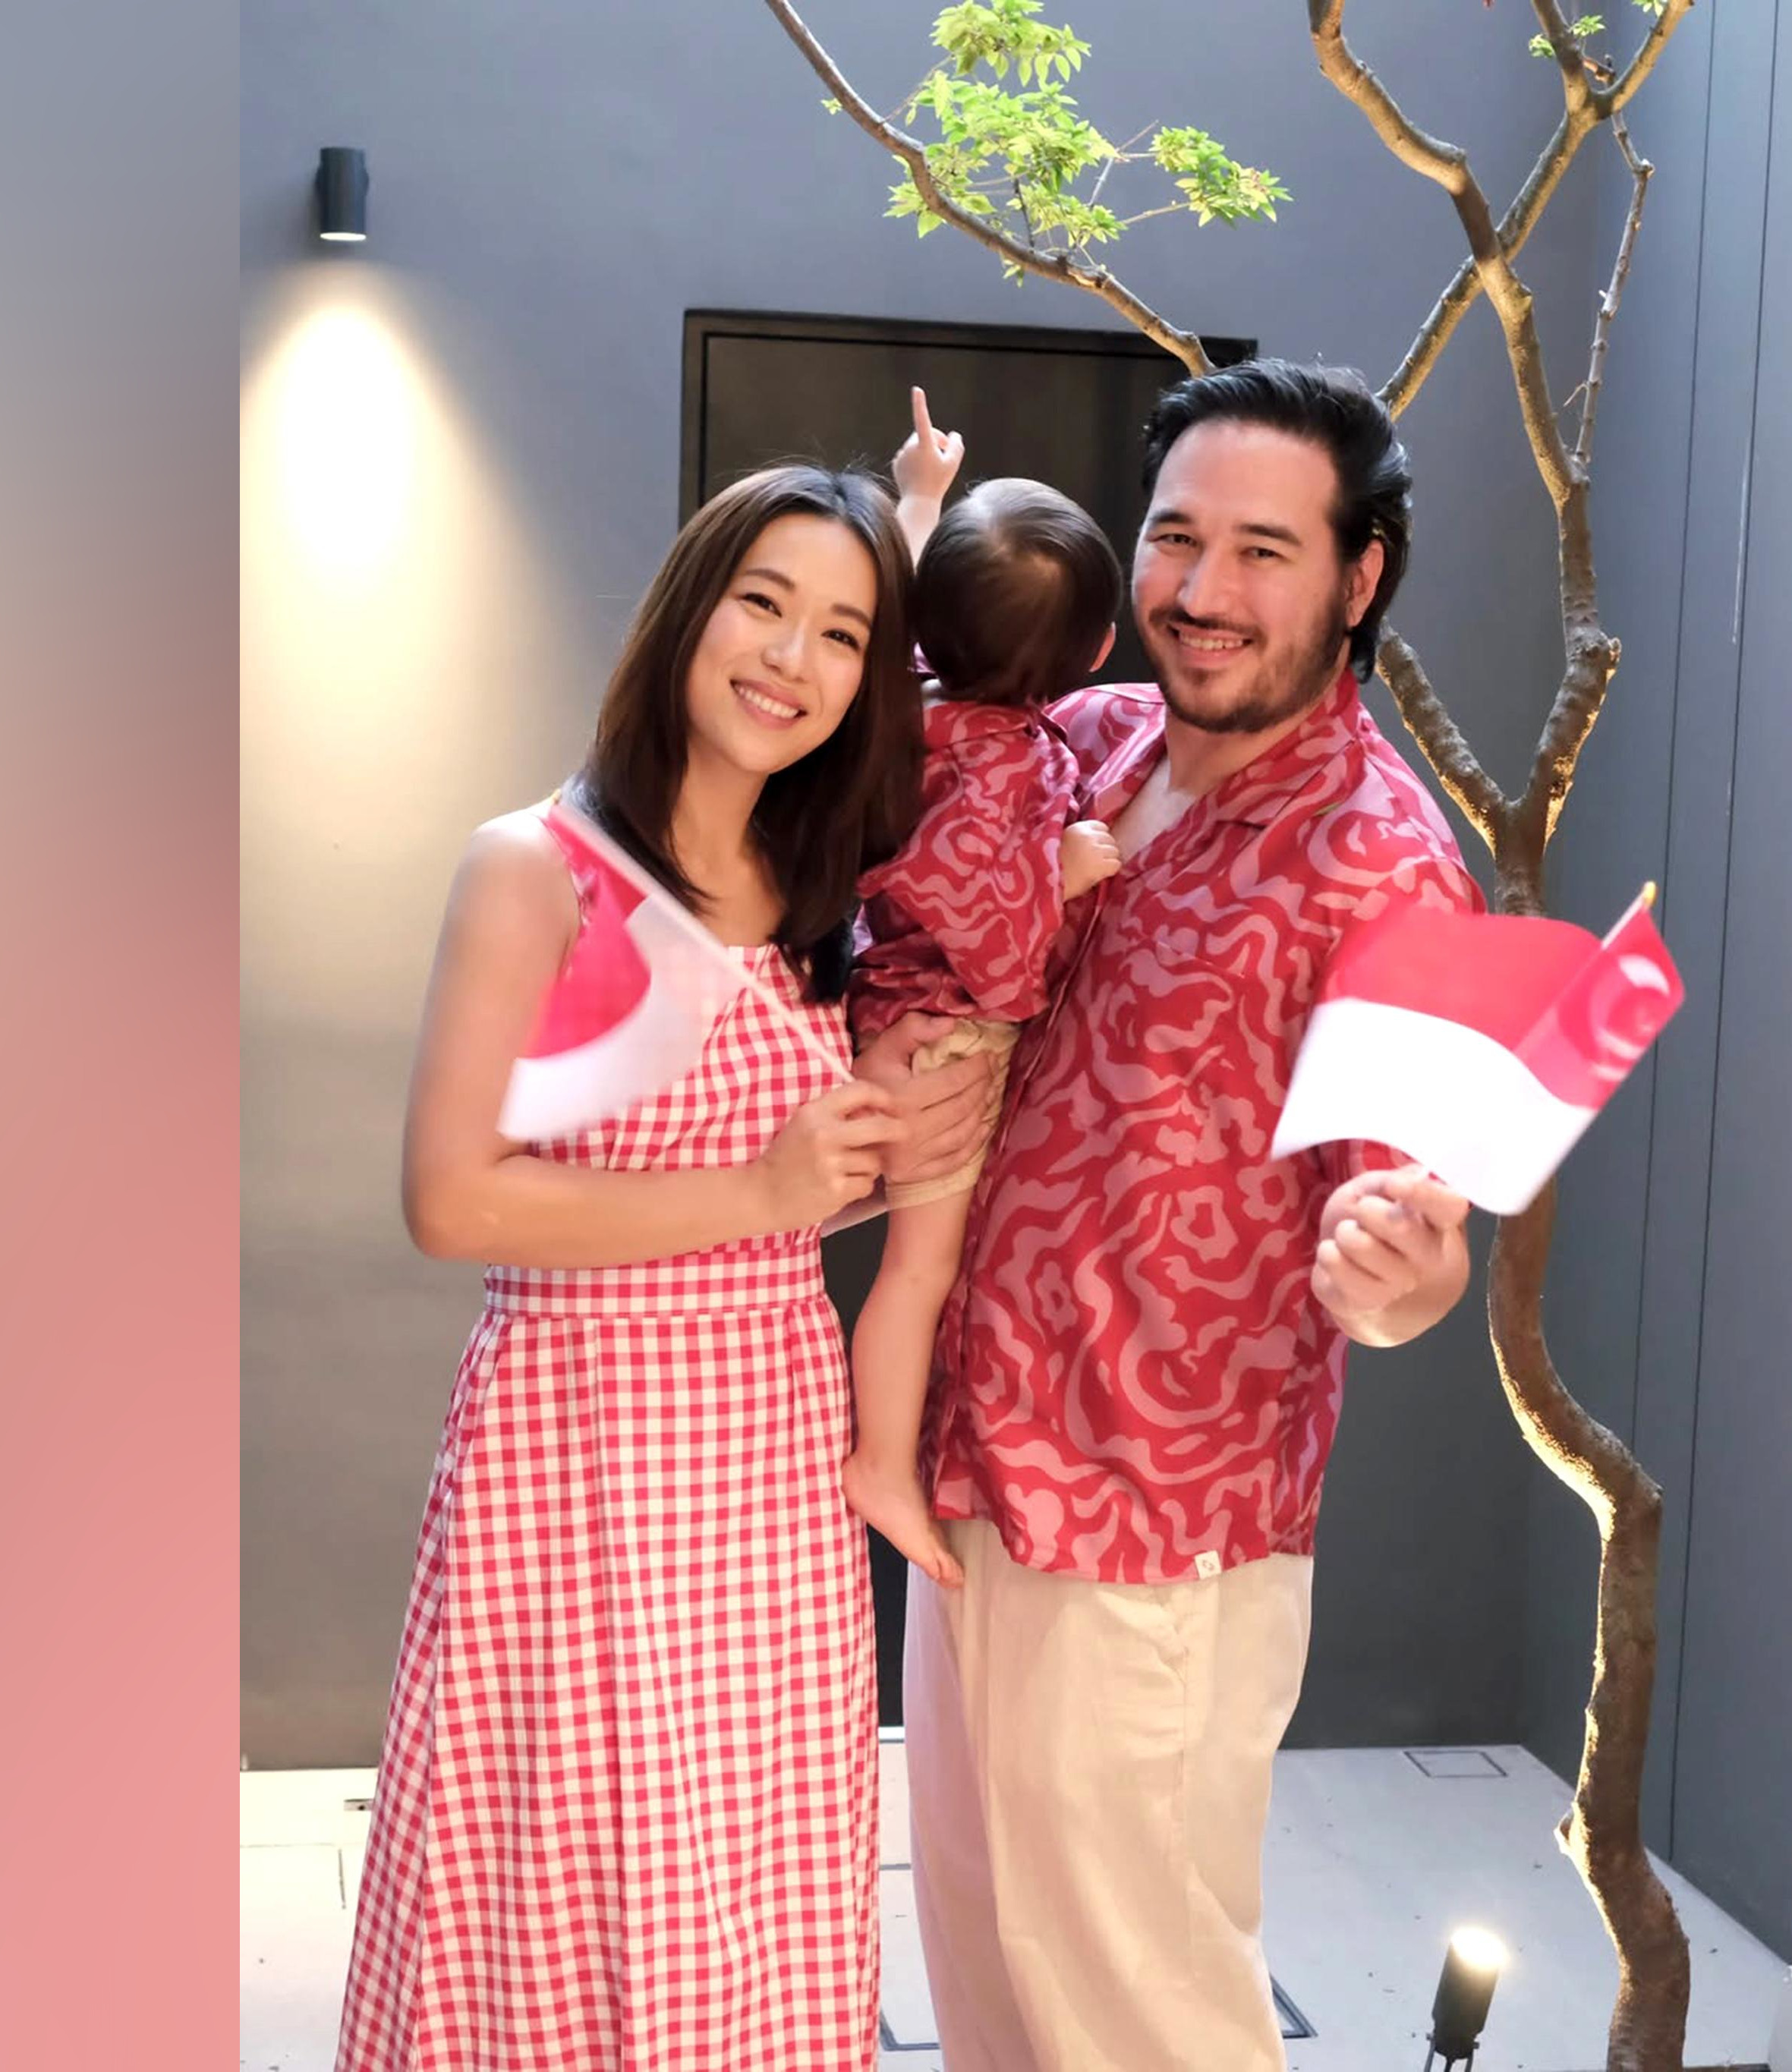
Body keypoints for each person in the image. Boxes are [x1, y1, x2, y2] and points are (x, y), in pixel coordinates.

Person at [861, 361, 1488, 2072]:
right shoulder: (1091, 734)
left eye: (1263, 550)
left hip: (1152, 1538)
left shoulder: (1389, 865)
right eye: (1175, 537)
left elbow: (1407, 1231)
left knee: (1142, 2021)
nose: (1203, 590)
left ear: (1358, 579)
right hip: (967, 1486)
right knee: (994, 2001)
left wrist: (1409, 1271)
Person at [334, 462, 981, 2072]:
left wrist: (865, 1165)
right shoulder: (538, 870)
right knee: (557, 1864)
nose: (793, 659)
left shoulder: (815, 895)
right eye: (762, 603)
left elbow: (764, 1205)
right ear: (687, 610)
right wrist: (767, 1187)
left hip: (768, 1452)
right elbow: (452, 1201)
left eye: (844, 634)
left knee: (752, 1878)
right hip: (574, 1449)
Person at [841, 389, 1127, 1592]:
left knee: (924, 1271)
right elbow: (1003, 966)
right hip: (948, 1036)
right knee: (920, 1271)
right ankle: (879, 1462)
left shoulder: (910, 700)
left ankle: (887, 1453)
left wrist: (920, 495)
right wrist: (1062, 876)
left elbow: (890, 610)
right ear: (1096, 655)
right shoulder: (1001, 770)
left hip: (893, 1000)